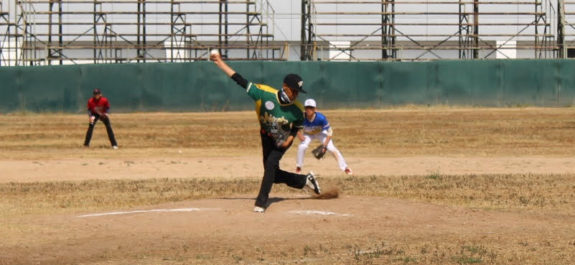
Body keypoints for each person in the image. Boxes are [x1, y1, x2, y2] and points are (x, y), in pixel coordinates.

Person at [210, 50, 321, 213]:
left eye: (298, 92)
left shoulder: (297, 110)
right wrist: (220, 62)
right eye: (294, 91)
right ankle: (305, 180)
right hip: (266, 136)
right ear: (285, 88)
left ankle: (261, 202)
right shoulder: (264, 94)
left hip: (282, 139)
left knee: (270, 166)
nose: (296, 95)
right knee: (273, 174)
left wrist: (291, 139)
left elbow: (297, 125)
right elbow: (240, 80)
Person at [296, 98, 353, 176]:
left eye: (311, 108)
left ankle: (345, 168)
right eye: (307, 107)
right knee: (302, 146)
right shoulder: (301, 117)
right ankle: (299, 167)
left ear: (315, 109)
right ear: (304, 108)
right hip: (308, 134)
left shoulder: (321, 118)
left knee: (331, 148)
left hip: (320, 133)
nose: (309, 109)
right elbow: (295, 127)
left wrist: (325, 145)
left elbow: (330, 132)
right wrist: (300, 136)